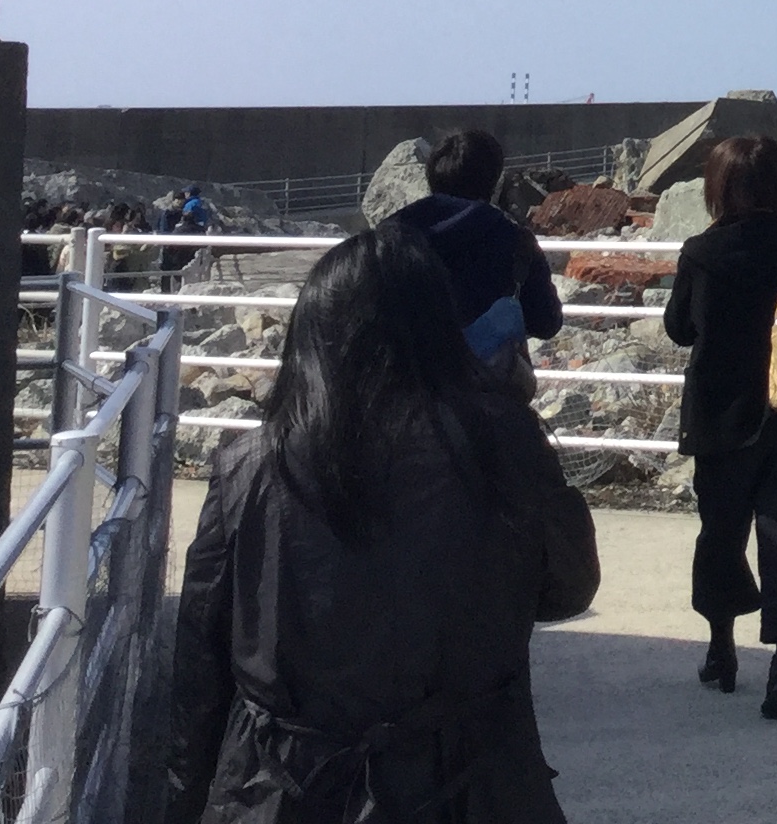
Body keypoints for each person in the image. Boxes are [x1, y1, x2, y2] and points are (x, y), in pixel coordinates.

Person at [164, 223, 598, 824]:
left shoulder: (250, 466)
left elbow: (202, 658)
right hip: (467, 780)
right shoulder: (500, 442)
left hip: (282, 786)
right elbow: (569, 588)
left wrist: (185, 794)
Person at [663, 134, 777, 722]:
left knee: (720, 534)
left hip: (719, 417)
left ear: (718, 188)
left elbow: (678, 328)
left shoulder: (701, 252)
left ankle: (722, 648)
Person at [384, 131, 563, 389]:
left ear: (431, 177)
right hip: (485, 396)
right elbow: (547, 323)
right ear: (493, 182)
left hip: (400, 393)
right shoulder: (514, 240)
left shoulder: (385, 240)